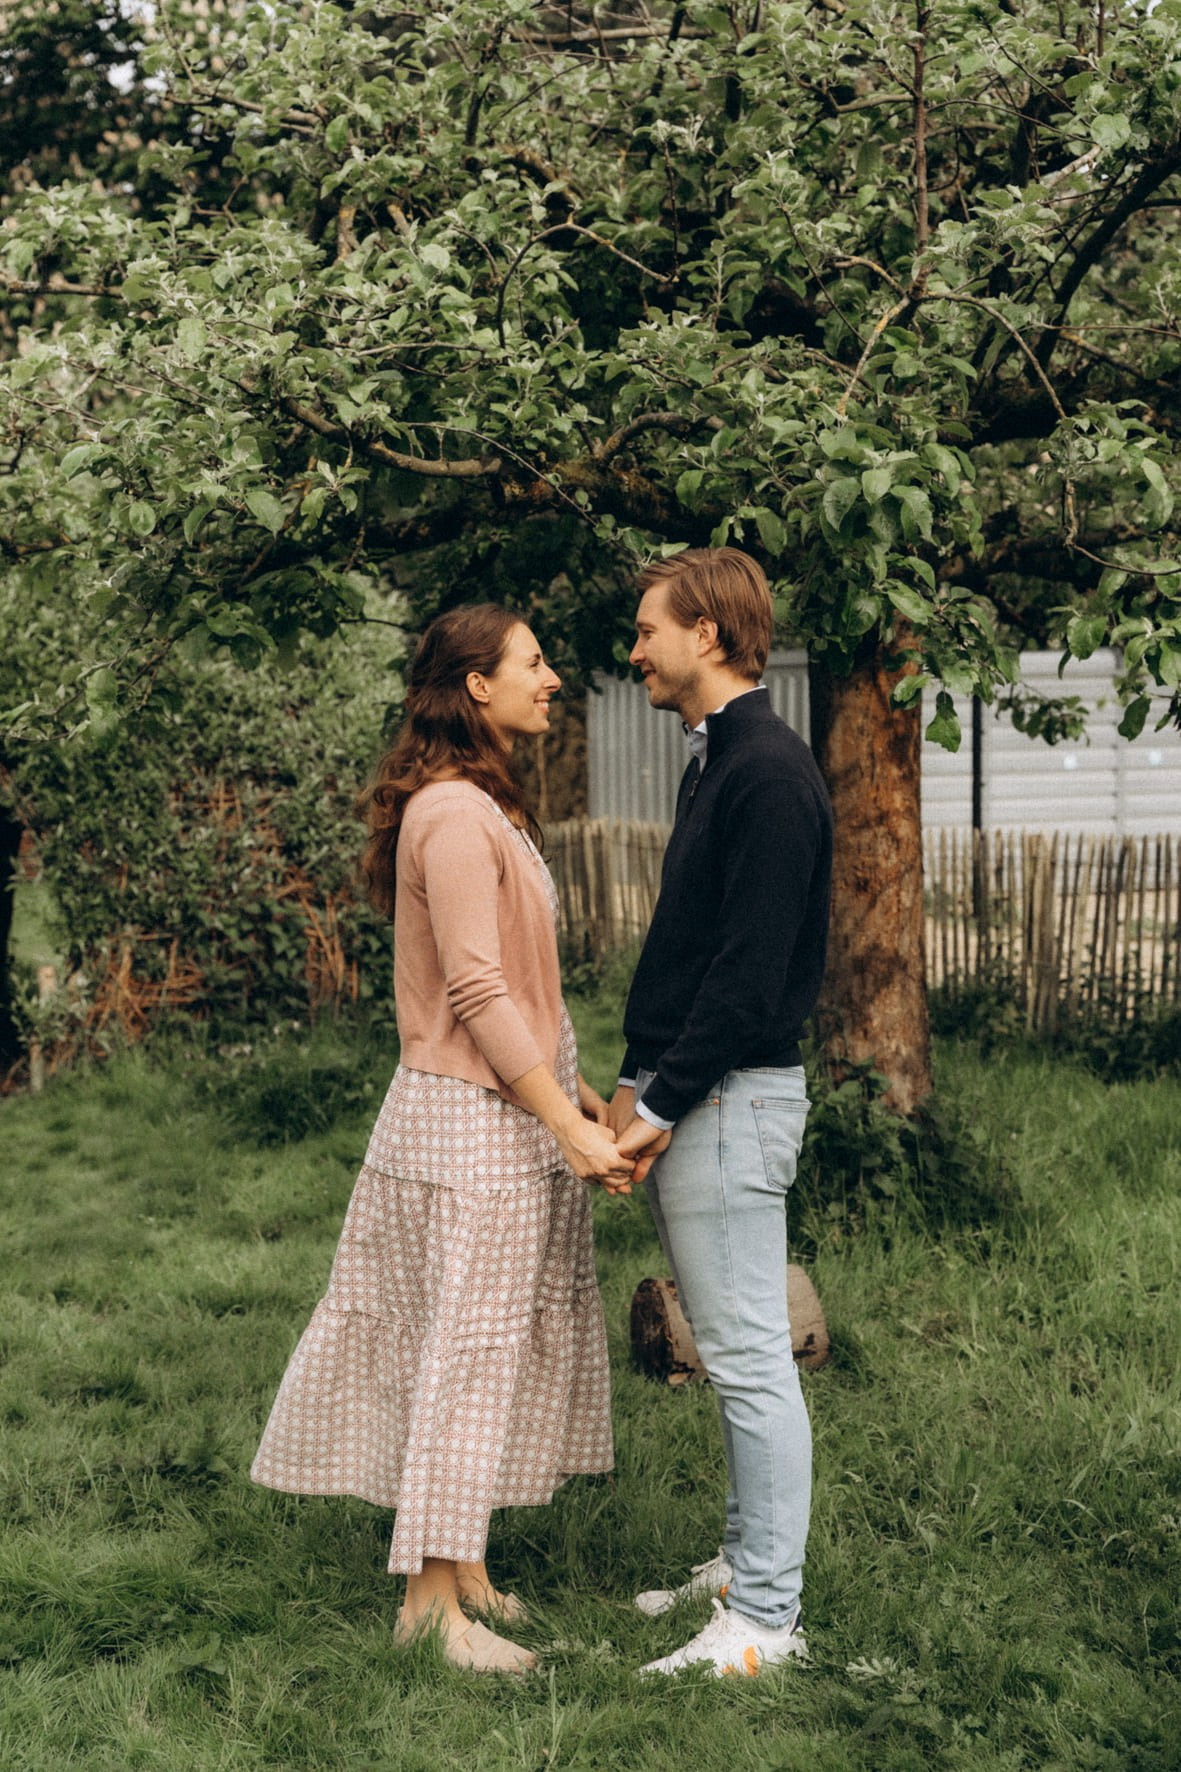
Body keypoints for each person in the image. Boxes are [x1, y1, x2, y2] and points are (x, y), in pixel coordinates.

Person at [252, 604, 630, 1675]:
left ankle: (462, 1568)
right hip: (469, 1130)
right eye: (533, 662)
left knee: (479, 1348)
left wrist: (583, 1100)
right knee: (461, 1356)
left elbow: (526, 993)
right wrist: (563, 1123)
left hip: (497, 1118)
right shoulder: (456, 814)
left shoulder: (479, 803)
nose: (551, 679)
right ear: (474, 684)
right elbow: (473, 991)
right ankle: (426, 1608)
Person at [608, 547, 833, 1678]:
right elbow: (684, 951)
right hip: (702, 1093)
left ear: (706, 632)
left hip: (731, 1101)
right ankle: (745, 1563)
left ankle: (764, 1624)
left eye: (647, 628)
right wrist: (633, 1074)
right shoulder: (718, 761)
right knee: (739, 1354)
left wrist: (657, 1102)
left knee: (747, 1360)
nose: (633, 650)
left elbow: (745, 982)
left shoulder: (769, 773)